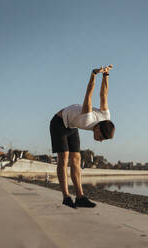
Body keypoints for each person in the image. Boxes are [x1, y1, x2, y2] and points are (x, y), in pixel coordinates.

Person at [49, 65, 115, 208]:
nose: (100, 141)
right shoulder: (87, 118)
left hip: (72, 125)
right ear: (97, 128)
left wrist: (106, 76)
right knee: (64, 158)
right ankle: (66, 197)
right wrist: (94, 74)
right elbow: (89, 94)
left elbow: (104, 95)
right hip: (59, 123)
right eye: (101, 137)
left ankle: (80, 197)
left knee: (76, 159)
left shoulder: (106, 117)